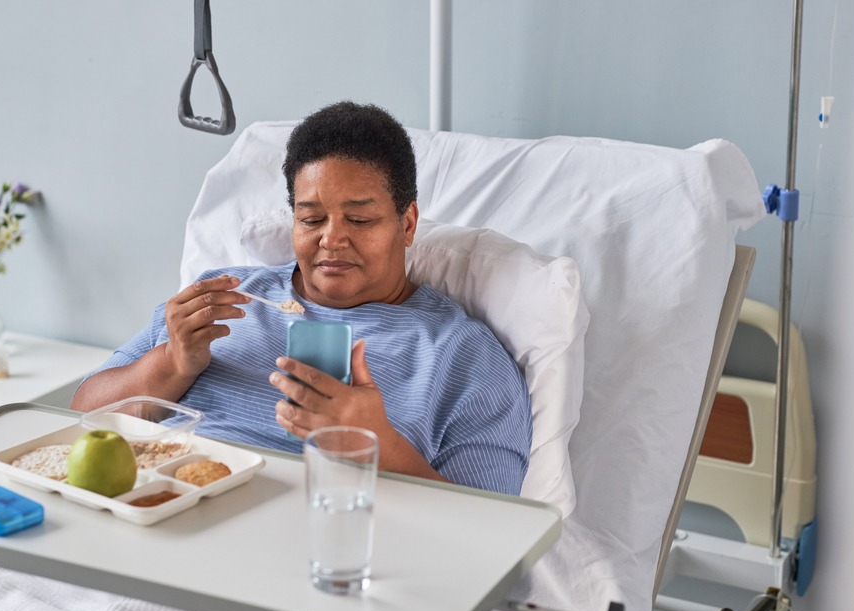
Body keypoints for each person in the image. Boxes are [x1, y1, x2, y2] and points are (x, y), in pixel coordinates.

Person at [72, 101, 532, 495]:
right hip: (157, 517)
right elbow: (82, 415)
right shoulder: (221, 298)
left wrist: (377, 446)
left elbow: (490, 534)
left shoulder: (464, 357)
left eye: (360, 220)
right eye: (311, 220)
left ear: (407, 223)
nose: (332, 240)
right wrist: (172, 363)